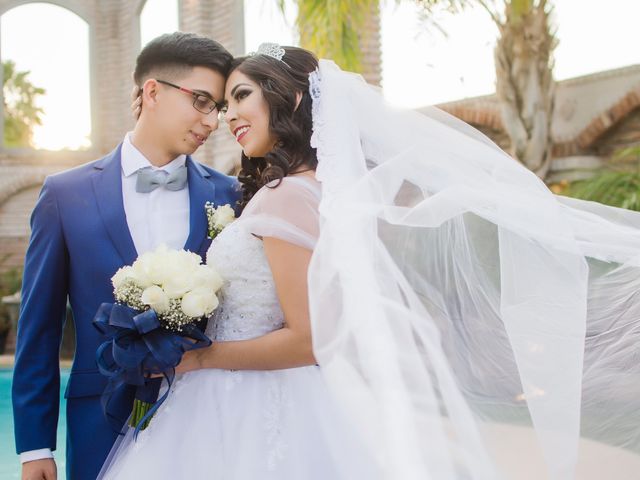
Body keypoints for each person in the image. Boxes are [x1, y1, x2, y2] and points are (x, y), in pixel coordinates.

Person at [103, 43, 640, 479]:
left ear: (289, 100)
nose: (228, 117)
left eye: (240, 96)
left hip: (246, 401)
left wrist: (196, 359)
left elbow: (309, 338)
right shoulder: (311, 191)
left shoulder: (288, 196)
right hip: (260, 396)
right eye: (224, 105)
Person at [12, 32, 240, 480]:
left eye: (217, 107)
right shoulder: (65, 194)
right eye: (200, 101)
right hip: (101, 418)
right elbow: (38, 327)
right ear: (152, 91)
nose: (212, 121)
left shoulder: (230, 195)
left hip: (209, 416)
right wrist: (34, 447)